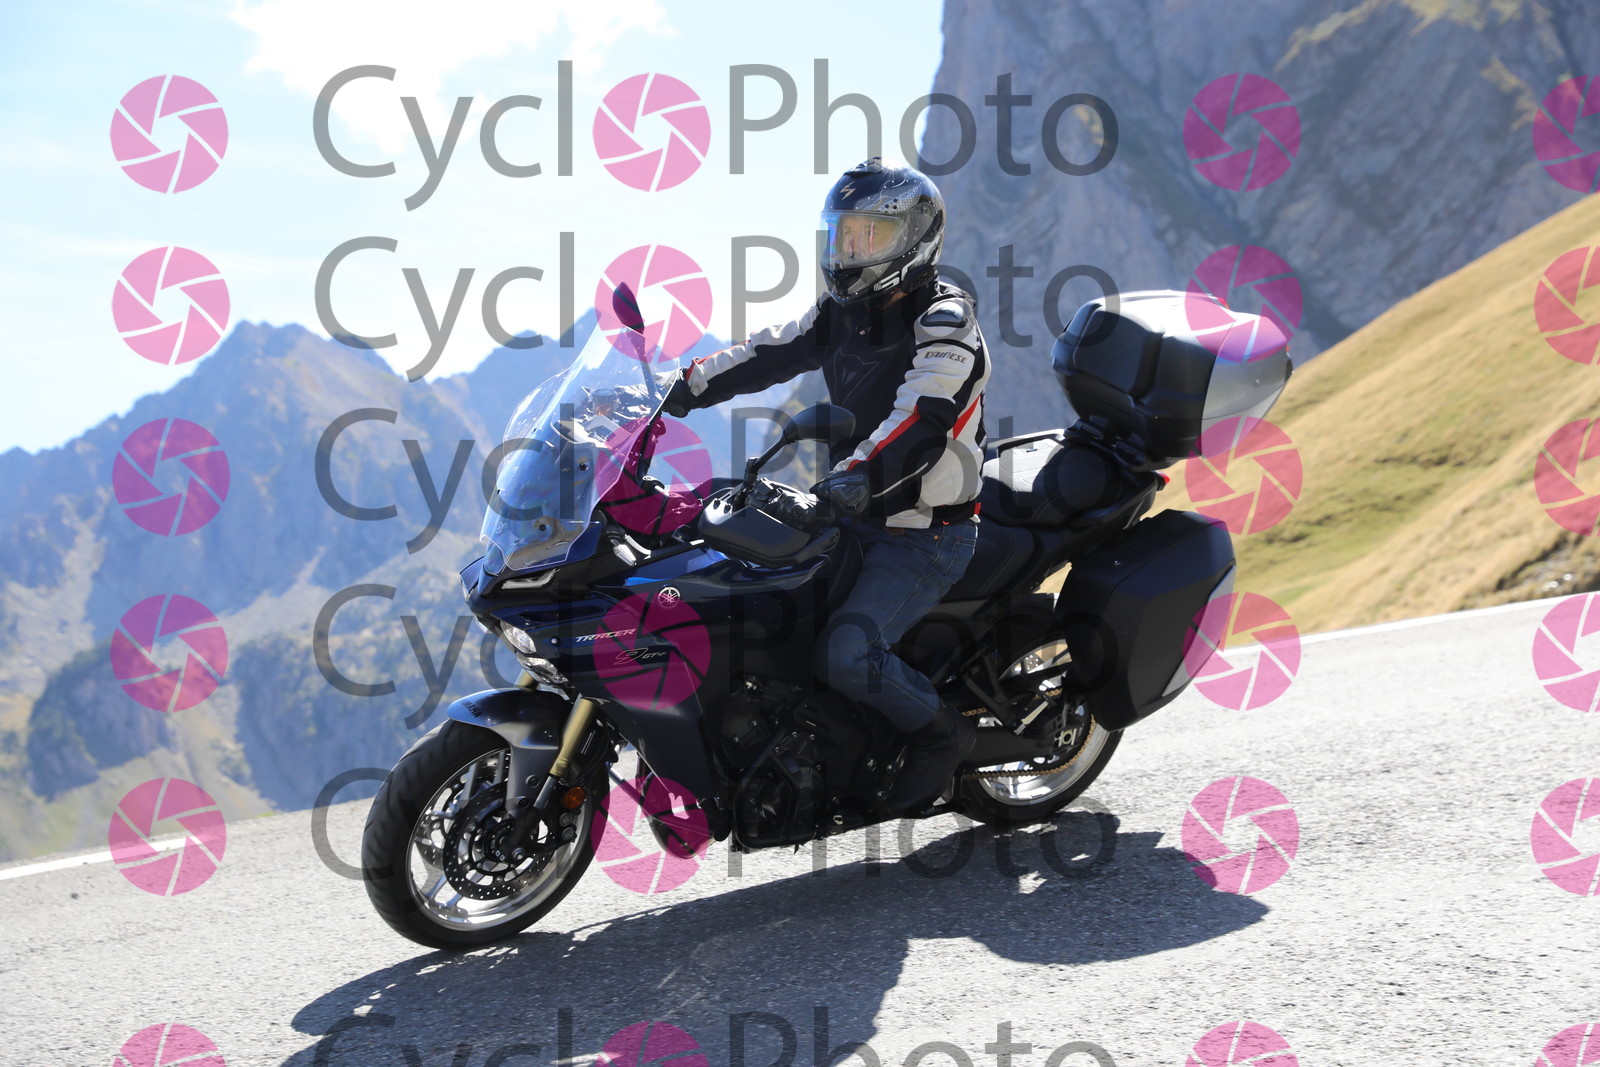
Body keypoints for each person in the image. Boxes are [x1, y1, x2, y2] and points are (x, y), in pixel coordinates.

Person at [664, 157, 991, 814]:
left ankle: (942, 736)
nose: (848, 253)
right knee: (760, 613)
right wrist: (674, 389)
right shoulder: (841, 314)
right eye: (841, 236)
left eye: (868, 237)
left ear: (914, 240)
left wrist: (853, 480)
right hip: (853, 515)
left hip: (923, 533)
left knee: (846, 653)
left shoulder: (945, 322)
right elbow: (762, 353)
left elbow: (920, 424)